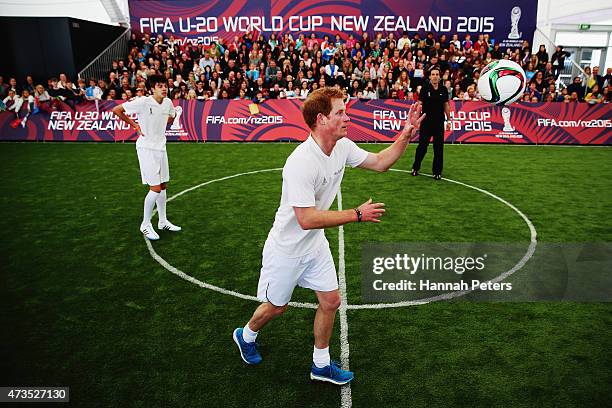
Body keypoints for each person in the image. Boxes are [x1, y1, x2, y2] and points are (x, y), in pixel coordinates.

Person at [232, 87, 424, 385]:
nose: (347, 117)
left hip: (315, 246)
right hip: (287, 249)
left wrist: (406, 134)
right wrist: (356, 214)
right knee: (277, 307)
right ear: (322, 119)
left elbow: (380, 162)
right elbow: (306, 219)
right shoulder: (300, 162)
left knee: (331, 301)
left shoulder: (343, 146)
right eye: (340, 112)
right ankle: (245, 335)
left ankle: (320, 365)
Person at [112, 74, 181, 240]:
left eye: (165, 85)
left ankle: (162, 221)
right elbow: (117, 110)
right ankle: (145, 224)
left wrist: (169, 120)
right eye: (159, 86)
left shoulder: (168, 102)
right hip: (146, 148)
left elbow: (170, 116)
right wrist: (135, 125)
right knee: (155, 188)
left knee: (163, 185)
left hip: (161, 147)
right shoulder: (143, 101)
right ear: (152, 88)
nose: (164, 88)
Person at [411, 66, 451, 180]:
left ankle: (437, 172)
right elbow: (419, 104)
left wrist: (449, 120)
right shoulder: (425, 88)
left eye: (437, 74)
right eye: (433, 74)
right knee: (422, 147)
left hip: (439, 123)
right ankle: (415, 167)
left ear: (439, 77)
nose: (435, 76)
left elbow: (446, 105)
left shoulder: (443, 89)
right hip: (426, 122)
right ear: (429, 76)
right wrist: (416, 119)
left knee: (438, 148)